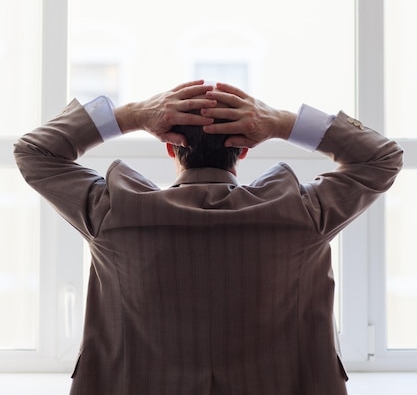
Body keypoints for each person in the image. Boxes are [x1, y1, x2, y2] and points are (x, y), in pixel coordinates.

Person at [14, 80, 403, 395]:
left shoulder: (113, 210)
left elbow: (34, 151)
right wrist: (283, 123)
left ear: (170, 146)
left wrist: (131, 115)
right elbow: (381, 158)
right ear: (244, 151)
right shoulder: (301, 213)